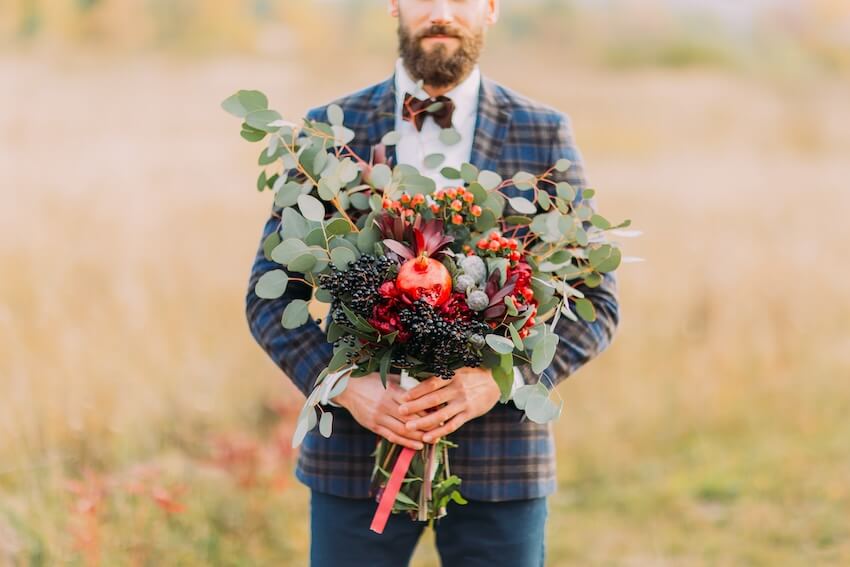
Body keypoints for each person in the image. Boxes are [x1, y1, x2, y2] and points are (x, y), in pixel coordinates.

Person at [245, 1, 620, 565]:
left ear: (491, 8)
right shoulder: (325, 136)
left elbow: (596, 300)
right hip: (355, 458)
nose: (442, 11)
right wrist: (347, 389)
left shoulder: (543, 133)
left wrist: (498, 380)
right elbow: (267, 299)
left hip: (502, 458)